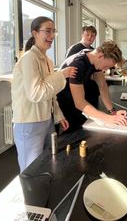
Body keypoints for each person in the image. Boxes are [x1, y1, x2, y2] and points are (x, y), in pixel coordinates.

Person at [11, 16, 77, 172]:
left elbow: (50, 93)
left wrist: (59, 115)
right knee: (31, 169)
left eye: (53, 31)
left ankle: (43, 194)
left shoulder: (47, 60)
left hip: (46, 120)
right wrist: (62, 75)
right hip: (28, 123)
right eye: (47, 31)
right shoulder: (29, 59)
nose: (52, 35)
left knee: (47, 162)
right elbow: (36, 93)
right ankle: (31, 197)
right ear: (35, 33)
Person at [57, 40, 127, 131]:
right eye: (106, 66)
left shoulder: (93, 58)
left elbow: (102, 85)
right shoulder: (79, 65)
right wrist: (108, 118)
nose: (105, 70)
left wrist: (112, 112)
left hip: (77, 100)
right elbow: (79, 103)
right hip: (65, 104)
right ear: (101, 55)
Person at [65, 25, 100, 107]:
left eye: (92, 35)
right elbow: (69, 71)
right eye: (87, 34)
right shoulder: (74, 49)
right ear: (82, 35)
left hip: (88, 87)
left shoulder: (93, 50)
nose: (90, 37)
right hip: (75, 88)